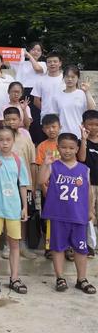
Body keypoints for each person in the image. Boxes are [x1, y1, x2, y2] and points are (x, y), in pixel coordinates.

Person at [40, 133, 96, 294]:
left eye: (71, 148)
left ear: (77, 149)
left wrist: (90, 210)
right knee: (57, 248)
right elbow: (40, 181)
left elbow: (89, 192)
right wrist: (45, 164)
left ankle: (82, 279)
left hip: (78, 216)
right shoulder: (54, 166)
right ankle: (60, 277)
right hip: (58, 215)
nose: (67, 151)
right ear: (58, 148)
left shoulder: (84, 169)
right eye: (63, 147)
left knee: (81, 249)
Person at [0, 126, 29, 295]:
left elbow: (23, 185)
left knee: (14, 245)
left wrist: (25, 206)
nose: (5, 143)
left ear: (13, 140)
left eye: (8, 139)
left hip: (13, 208)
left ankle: (14, 278)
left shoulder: (18, 161)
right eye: (1, 140)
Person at [0, 106, 37, 260]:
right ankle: (8, 245)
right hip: (6, 186)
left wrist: (33, 186)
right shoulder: (0, 139)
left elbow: (33, 163)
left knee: (23, 214)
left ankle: (21, 244)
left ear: (20, 121)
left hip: (24, 185)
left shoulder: (26, 139)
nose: (11, 122)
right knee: (6, 214)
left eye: (14, 119)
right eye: (7, 119)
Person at [35, 113, 61, 259]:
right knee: (48, 218)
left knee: (63, 217)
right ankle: (48, 246)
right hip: (49, 188)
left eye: (54, 126)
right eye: (48, 127)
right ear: (43, 130)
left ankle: (65, 245)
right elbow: (39, 168)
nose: (51, 130)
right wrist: (44, 188)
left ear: (60, 127)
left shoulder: (65, 143)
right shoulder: (42, 146)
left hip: (64, 188)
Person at [13, 42, 47, 143]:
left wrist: (29, 56)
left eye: (38, 50)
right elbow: (4, 59)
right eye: (33, 49)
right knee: (23, 119)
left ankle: (37, 144)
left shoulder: (43, 64)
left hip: (36, 95)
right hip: (22, 93)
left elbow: (37, 69)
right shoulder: (20, 63)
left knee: (36, 120)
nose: (36, 52)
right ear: (29, 50)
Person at [52, 65, 96, 139]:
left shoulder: (82, 93)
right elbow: (55, 116)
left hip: (80, 134)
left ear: (77, 78)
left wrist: (87, 92)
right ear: (63, 78)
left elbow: (92, 110)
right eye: (67, 77)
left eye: (73, 77)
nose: (70, 79)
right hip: (63, 134)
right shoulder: (57, 96)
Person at [78, 110, 98, 257]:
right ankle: (90, 245)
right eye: (90, 124)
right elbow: (82, 158)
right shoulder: (81, 142)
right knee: (89, 214)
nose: (94, 127)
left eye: (97, 124)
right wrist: (83, 139)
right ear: (84, 125)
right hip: (89, 184)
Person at [31, 51, 64, 127]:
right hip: (46, 117)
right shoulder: (40, 80)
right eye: (49, 62)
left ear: (60, 63)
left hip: (63, 117)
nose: (52, 64)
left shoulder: (65, 80)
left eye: (55, 61)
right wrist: (46, 109)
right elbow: (36, 101)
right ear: (46, 64)